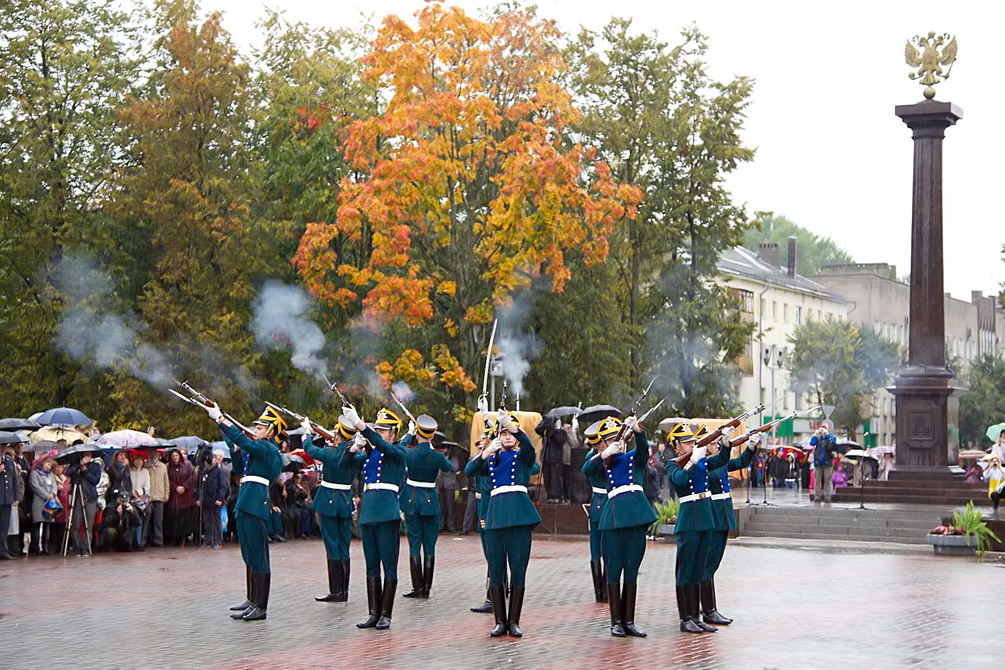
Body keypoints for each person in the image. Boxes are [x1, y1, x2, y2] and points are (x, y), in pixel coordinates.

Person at [204, 403, 285, 621]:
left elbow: (244, 442)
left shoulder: (269, 449)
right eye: (256, 427)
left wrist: (222, 420)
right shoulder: (255, 450)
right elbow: (237, 452)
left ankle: (261, 606)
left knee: (260, 557)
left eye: (260, 428)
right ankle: (252, 599)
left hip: (257, 503)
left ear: (270, 431)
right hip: (246, 501)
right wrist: (220, 421)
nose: (256, 430)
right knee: (249, 554)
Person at [464, 409, 541, 638]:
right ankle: (500, 621)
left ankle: (514, 621)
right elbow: (470, 470)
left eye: (511, 433)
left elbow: (529, 449)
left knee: (518, 572)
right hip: (495, 518)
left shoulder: (522, 457)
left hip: (519, 518)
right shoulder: (492, 459)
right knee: (496, 571)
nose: (507, 437)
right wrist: (487, 451)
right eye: (504, 433)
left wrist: (517, 430)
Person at [583, 415, 656, 638]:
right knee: (613, 571)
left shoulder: (634, 458)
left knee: (631, 571)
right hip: (613, 521)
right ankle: (616, 622)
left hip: (635, 518)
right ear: (603, 443)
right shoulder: (603, 463)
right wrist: (604, 454)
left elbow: (643, 450)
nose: (619, 443)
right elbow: (587, 469)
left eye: (621, 439)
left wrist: (638, 431)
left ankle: (629, 621)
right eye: (612, 440)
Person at [341, 403, 407, 630]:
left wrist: (360, 425)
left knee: (389, 566)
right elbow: (343, 466)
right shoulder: (369, 456)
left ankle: (386, 614)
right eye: (377, 429)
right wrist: (352, 448)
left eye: (383, 430)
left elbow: (383, 446)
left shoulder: (398, 452)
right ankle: (373, 612)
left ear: (394, 433)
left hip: (387, 514)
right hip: (368, 514)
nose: (379, 433)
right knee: (371, 566)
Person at [666, 421, 734, 634]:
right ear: (677, 446)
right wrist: (693, 459)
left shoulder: (703, 460)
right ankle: (685, 618)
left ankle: (696, 617)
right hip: (689, 520)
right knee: (685, 571)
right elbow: (679, 480)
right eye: (686, 443)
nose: (691, 445)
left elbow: (722, 460)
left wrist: (725, 441)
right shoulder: (673, 463)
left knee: (698, 570)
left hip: (706, 518)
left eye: (692, 442)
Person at [301, 415, 365, 603]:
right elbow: (352, 453)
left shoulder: (329, 453)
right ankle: (343, 591)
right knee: (344, 546)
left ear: (337, 435)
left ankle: (335, 591)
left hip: (328, 501)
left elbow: (309, 448)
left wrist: (307, 432)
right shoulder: (358, 456)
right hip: (344, 501)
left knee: (332, 545)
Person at [701, 430, 759, 626]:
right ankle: (709, 610)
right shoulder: (706, 463)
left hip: (723, 516)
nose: (717, 445)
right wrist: (726, 448)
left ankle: (705, 605)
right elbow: (721, 463)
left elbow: (740, 463)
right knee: (708, 566)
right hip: (714, 517)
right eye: (713, 443)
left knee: (712, 565)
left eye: (718, 443)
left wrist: (750, 447)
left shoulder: (717, 461)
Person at [399, 413, 451, 599]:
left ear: (418, 434)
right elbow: (447, 467)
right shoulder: (437, 456)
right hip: (430, 501)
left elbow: (399, 447)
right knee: (429, 546)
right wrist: (431, 446)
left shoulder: (409, 452)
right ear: (432, 435)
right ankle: (426, 589)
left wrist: (408, 433)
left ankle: (417, 588)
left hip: (412, 500)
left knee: (414, 545)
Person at [580, 421, 607, 604]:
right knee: (596, 550)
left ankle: (605, 590)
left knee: (608, 550)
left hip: (604, 504)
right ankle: (600, 591)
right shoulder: (594, 458)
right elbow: (587, 470)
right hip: (600, 504)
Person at [65, 453, 101, 557]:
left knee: (88, 525)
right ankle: (76, 547)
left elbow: (95, 481)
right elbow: (69, 472)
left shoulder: (96, 466)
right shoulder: (76, 465)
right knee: (76, 523)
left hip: (91, 498)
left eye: (89, 455)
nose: (87, 456)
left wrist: (86, 471)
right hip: (78, 497)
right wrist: (79, 465)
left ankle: (85, 548)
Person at [198, 449, 228, 549]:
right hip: (206, 500)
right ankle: (208, 540)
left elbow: (223, 486)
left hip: (216, 499)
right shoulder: (205, 471)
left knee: (216, 520)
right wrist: (200, 498)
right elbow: (201, 486)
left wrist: (220, 498)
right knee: (207, 520)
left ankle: (217, 540)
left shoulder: (220, 471)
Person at [165, 449, 196, 547]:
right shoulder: (168, 467)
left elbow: (193, 477)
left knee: (184, 518)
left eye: (177, 456)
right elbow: (166, 479)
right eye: (173, 456)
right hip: (173, 497)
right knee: (173, 518)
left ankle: (184, 538)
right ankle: (174, 538)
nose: (175, 458)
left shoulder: (187, 465)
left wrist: (185, 486)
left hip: (185, 496)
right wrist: (175, 487)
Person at [28, 457, 58, 555]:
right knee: (37, 525)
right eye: (48, 464)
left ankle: (45, 547)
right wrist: (46, 495)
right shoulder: (35, 473)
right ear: (43, 463)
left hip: (49, 502)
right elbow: (35, 486)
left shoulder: (51, 475)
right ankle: (35, 546)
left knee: (47, 525)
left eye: (50, 466)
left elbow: (54, 485)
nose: (49, 467)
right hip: (39, 501)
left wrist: (53, 494)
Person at [536, 415, 567, 503]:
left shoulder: (560, 432)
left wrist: (554, 430)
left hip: (556, 458)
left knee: (555, 477)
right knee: (547, 478)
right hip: (546, 457)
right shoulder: (546, 431)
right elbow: (538, 430)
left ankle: (556, 496)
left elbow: (560, 439)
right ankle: (549, 495)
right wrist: (544, 424)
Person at [144, 448, 169, 547]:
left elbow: (166, 481)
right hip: (148, 497)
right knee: (147, 520)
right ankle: (144, 539)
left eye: (155, 453)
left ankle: (158, 540)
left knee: (158, 520)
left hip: (159, 496)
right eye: (151, 453)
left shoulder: (163, 466)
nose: (153, 455)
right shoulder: (145, 466)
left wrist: (167, 493)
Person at [0, 448, 22, 560]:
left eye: (4, 446)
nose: (2, 449)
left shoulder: (8, 460)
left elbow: (14, 479)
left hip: (7, 498)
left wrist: (16, 496)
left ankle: (3, 551)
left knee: (4, 526)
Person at [809, 426, 837, 502]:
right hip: (818, 462)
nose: (823, 431)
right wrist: (815, 434)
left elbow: (833, 444)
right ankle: (817, 496)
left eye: (824, 429)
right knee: (817, 480)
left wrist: (827, 435)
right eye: (822, 429)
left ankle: (827, 496)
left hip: (827, 462)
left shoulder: (830, 437)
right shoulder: (818, 438)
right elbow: (812, 443)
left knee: (827, 480)